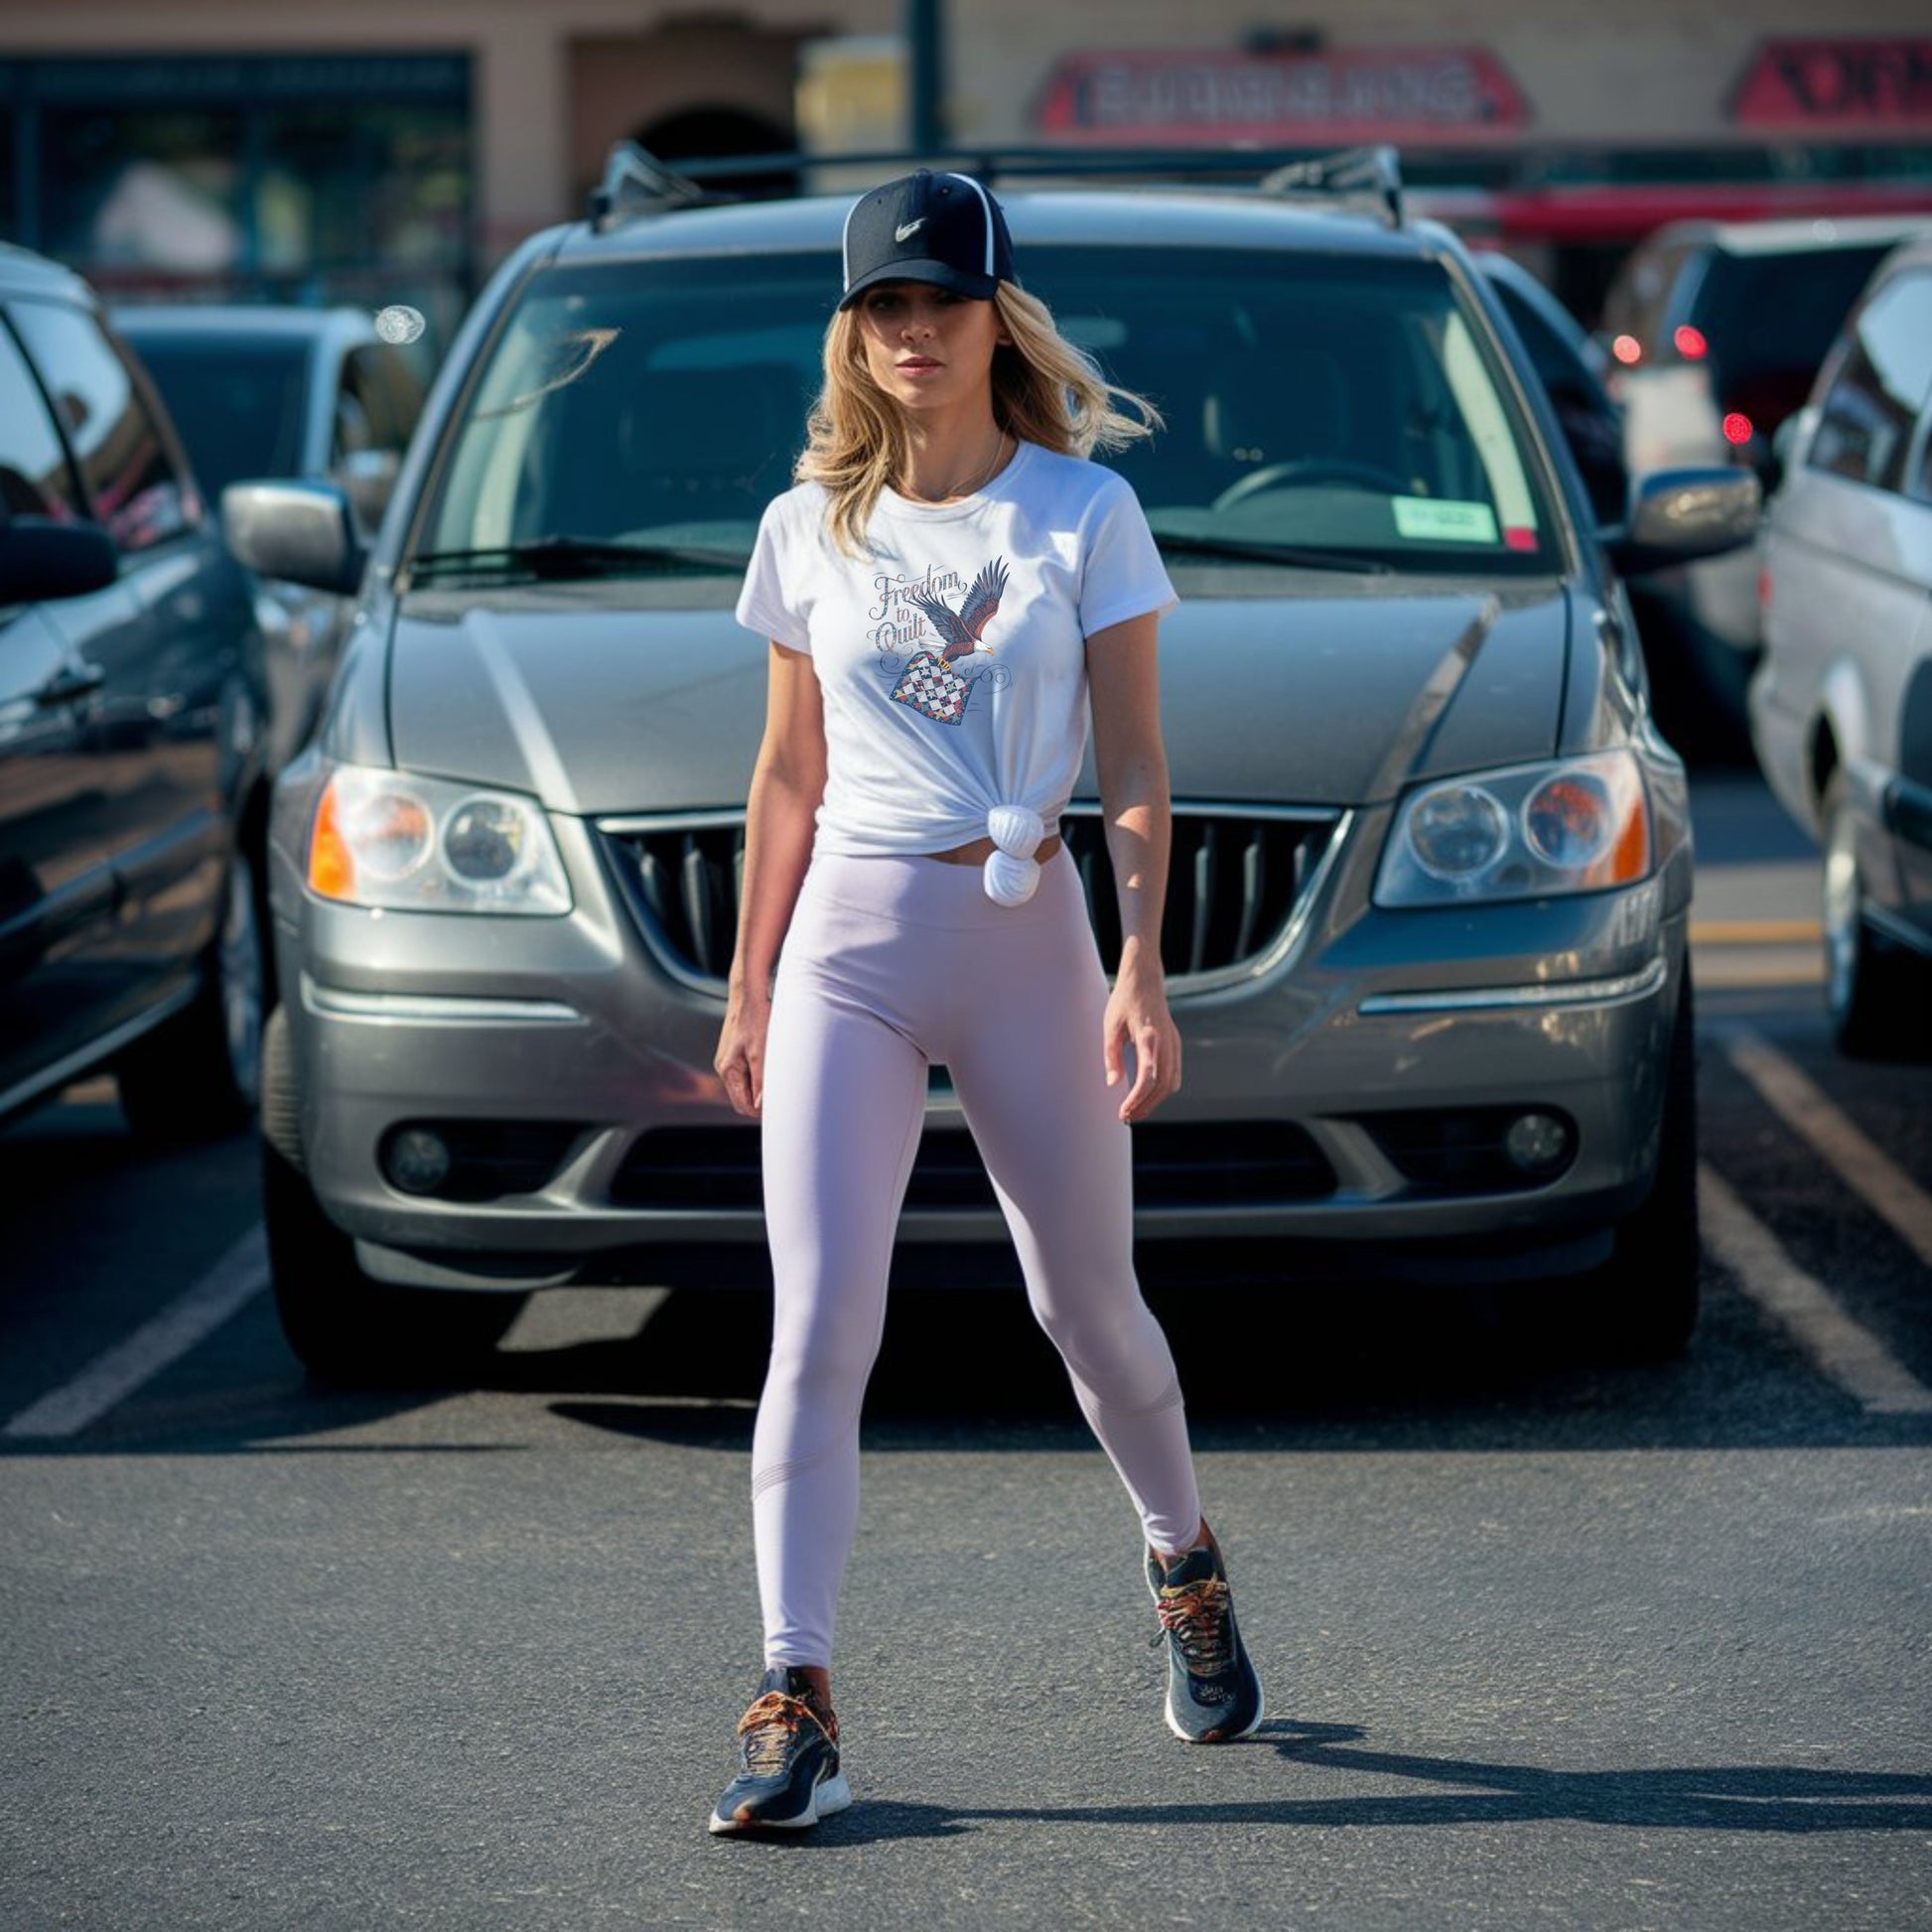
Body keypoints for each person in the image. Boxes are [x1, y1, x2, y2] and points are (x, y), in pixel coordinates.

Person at [709, 169, 1263, 1838]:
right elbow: (787, 776)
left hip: (1032, 938)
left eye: (940, 301)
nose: (911, 331)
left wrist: (1142, 964)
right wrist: (747, 984)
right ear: (851, 329)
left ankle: (1183, 1560)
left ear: (994, 315)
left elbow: (1141, 765)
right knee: (818, 1330)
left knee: (1088, 1312)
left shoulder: (1080, 514)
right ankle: (792, 1694)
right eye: (883, 305)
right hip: (851, 950)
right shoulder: (806, 524)